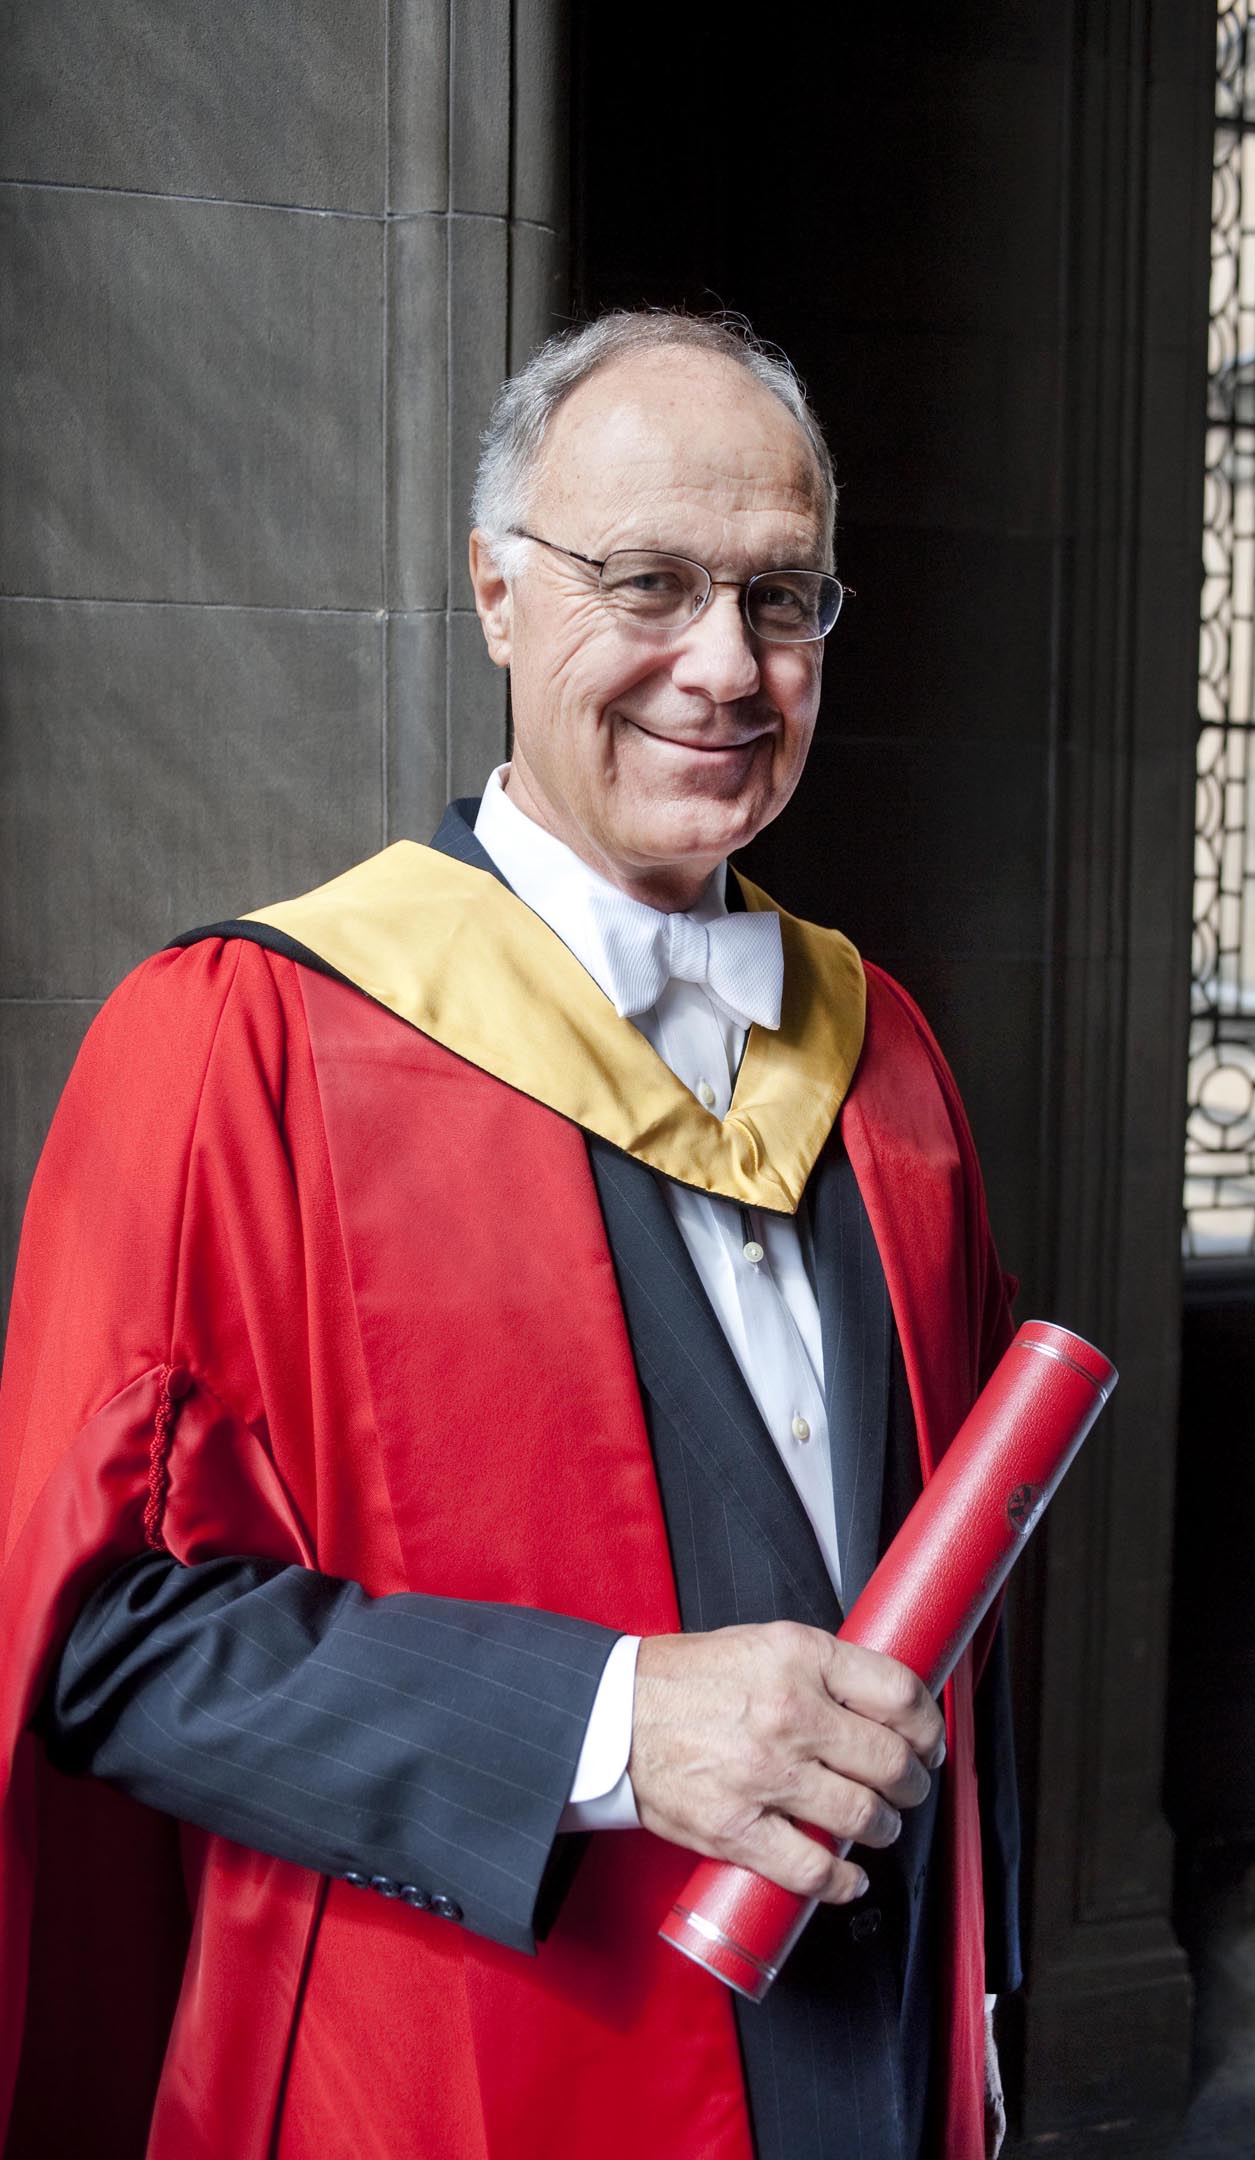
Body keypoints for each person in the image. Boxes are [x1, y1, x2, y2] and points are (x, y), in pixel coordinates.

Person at [0, 312, 1020, 2159]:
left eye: (782, 600)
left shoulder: (884, 1063)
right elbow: (97, 1645)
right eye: (647, 582)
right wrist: (619, 1722)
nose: (722, 666)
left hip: (863, 2058)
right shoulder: (247, 1043)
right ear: (492, 592)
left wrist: (980, 2013)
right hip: (459, 2079)